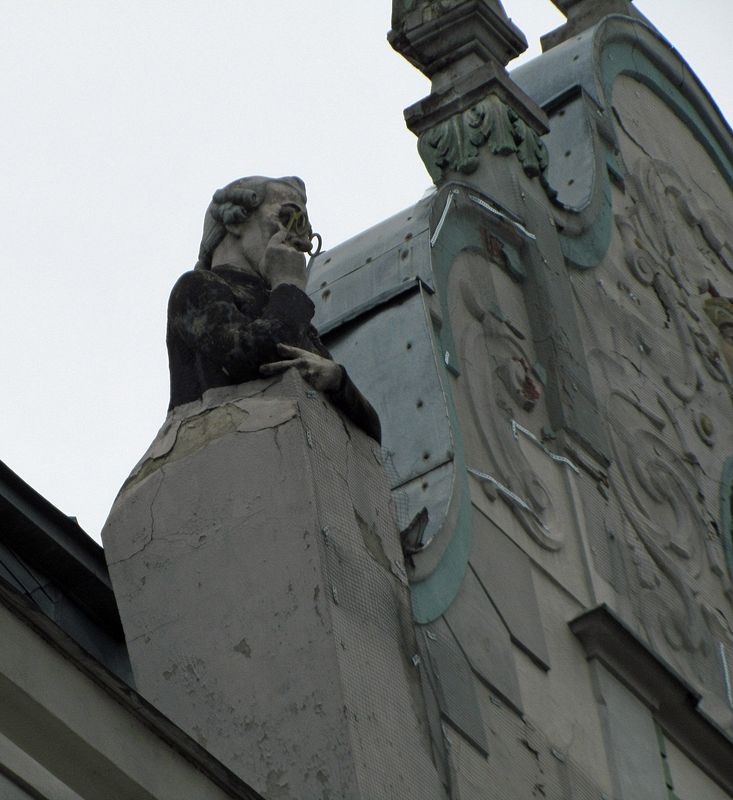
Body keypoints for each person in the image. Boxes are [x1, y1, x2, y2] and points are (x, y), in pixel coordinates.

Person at [166, 175, 381, 442]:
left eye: (305, 230)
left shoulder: (287, 311)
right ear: (234, 221)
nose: (301, 242)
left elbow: (372, 430)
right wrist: (288, 284)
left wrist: (339, 380)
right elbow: (255, 358)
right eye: (290, 217)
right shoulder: (197, 287)